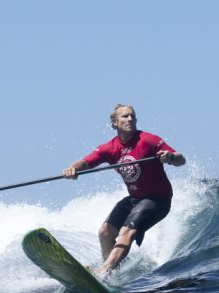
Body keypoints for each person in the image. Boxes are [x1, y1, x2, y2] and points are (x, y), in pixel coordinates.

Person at [63, 104, 186, 275]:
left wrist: (170, 157)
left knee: (126, 232)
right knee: (105, 232)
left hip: (158, 199)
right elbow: (86, 162)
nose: (130, 119)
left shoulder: (148, 140)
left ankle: (102, 272)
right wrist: (73, 169)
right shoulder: (109, 148)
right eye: (125, 117)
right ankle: (112, 273)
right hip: (135, 199)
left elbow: (181, 160)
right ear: (114, 123)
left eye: (132, 116)